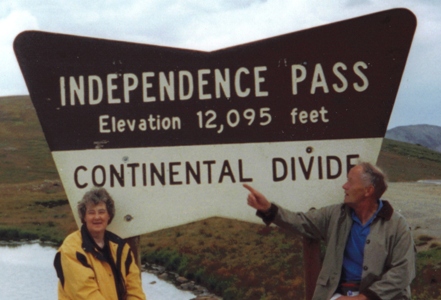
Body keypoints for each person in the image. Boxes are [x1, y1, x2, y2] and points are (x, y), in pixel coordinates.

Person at [244, 162, 415, 300]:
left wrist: (364, 298)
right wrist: (268, 209)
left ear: (368, 191)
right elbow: (300, 221)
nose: (344, 186)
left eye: (350, 182)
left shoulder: (396, 225)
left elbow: (403, 270)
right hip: (337, 294)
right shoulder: (334, 215)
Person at [54, 187, 146, 300]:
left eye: (101, 212)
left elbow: (135, 291)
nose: (97, 217)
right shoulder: (71, 248)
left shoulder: (122, 248)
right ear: (84, 217)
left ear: (109, 216)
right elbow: (85, 294)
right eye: (91, 212)